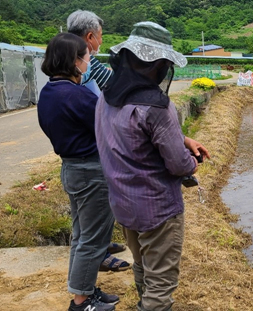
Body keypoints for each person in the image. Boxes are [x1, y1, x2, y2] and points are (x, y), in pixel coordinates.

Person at [95, 21, 210, 311]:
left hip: (123, 203)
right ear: (157, 64)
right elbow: (177, 165)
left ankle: (142, 303)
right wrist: (192, 163)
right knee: (161, 280)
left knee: (142, 264)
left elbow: (131, 136)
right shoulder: (157, 107)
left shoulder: (107, 98)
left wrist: (182, 139)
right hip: (157, 209)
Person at [37, 32, 118, 311]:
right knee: (93, 239)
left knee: (82, 236)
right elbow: (111, 126)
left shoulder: (49, 92)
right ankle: (82, 302)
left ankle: (86, 289)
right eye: (87, 57)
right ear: (74, 61)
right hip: (91, 171)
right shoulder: (76, 95)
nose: (89, 63)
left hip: (72, 168)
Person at [67, 9, 131, 272]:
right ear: (90, 36)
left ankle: (101, 246)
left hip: (77, 146)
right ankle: (99, 254)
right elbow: (116, 87)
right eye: (100, 37)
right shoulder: (84, 61)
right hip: (90, 146)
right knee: (95, 207)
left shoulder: (67, 57)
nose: (101, 43)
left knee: (85, 214)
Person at [67, 10, 112, 90]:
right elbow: (117, 82)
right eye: (100, 36)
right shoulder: (86, 62)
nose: (101, 41)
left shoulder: (62, 54)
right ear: (90, 37)